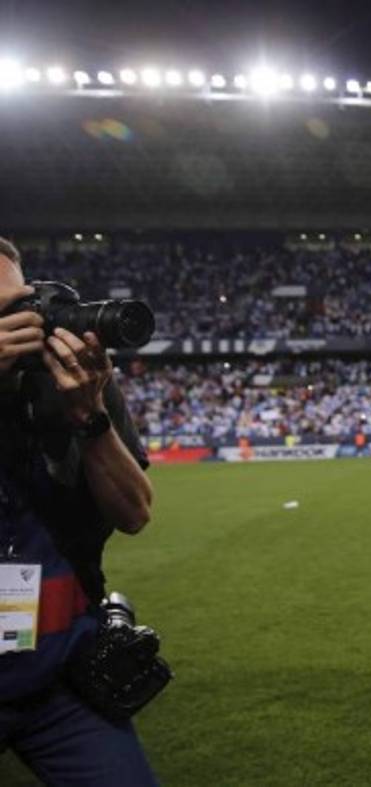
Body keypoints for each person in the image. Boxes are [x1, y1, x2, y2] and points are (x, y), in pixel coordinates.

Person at [0, 237, 158, 785]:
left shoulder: (66, 379)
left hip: (55, 663)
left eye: (25, 302)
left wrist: (90, 415)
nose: (26, 321)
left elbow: (134, 512)